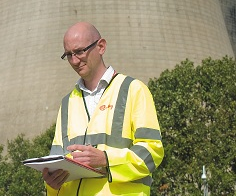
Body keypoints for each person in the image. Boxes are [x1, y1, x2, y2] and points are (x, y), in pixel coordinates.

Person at [42, 22, 164, 195]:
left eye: (80, 51)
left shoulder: (132, 90)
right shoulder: (68, 103)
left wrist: (106, 159)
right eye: (68, 55)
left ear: (101, 46)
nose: (75, 60)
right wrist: (51, 183)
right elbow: (55, 159)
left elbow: (152, 152)